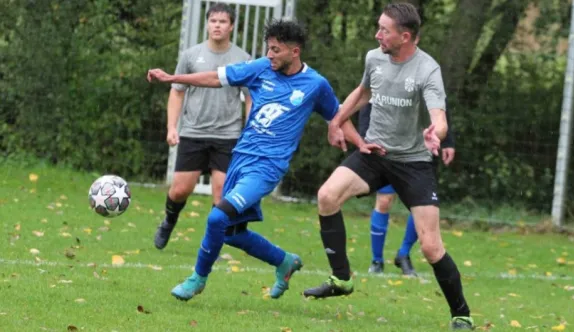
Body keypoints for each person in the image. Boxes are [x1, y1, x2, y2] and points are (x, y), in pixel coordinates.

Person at [147, 19, 364, 301]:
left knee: (217, 218)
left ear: (294, 51)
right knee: (232, 233)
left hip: (266, 167)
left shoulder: (315, 85)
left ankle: (197, 279)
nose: (270, 54)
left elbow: (338, 115)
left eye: (275, 49)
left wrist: (361, 146)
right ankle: (285, 261)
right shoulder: (261, 68)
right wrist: (172, 79)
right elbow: (215, 77)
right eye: (268, 48)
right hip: (240, 159)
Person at [303, 3, 474, 329]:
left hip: (414, 163)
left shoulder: (427, 69)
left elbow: (439, 118)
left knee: (430, 245)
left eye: (384, 30)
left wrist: (435, 134)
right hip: (375, 153)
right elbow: (363, 92)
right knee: (327, 196)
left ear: (405, 36)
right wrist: (337, 120)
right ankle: (341, 279)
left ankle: (461, 315)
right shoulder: (374, 58)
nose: (376, 34)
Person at [154, 3, 253, 250]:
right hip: (193, 133)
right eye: (213, 21)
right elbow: (177, 92)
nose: (217, 25)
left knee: (221, 196)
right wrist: (171, 127)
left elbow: (250, 98)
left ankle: (212, 246)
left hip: (228, 136)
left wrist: (249, 130)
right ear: (207, 24)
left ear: (231, 26)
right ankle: (168, 221)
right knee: (179, 191)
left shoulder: (242, 59)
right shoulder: (190, 56)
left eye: (222, 21)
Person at [359, 102, 456, 276]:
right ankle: (377, 261)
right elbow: (367, 99)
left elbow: (440, 106)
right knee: (384, 201)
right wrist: (365, 137)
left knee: (421, 205)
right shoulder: (384, 75)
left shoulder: (429, 77)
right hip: (388, 149)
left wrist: (447, 141)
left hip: (421, 151)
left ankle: (403, 254)